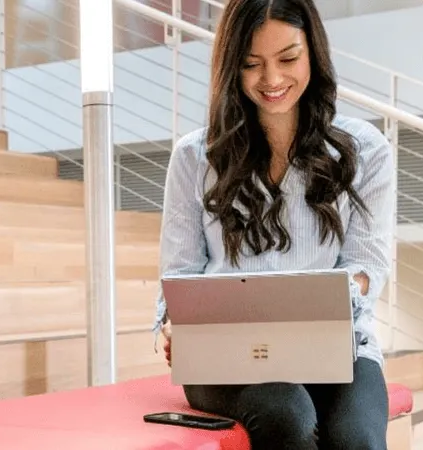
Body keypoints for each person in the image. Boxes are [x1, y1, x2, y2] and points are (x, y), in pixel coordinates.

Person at [152, 0, 396, 448]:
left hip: (339, 348)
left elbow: (368, 266)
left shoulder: (365, 150)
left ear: (313, 54)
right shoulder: (193, 157)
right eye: (251, 64)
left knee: (356, 439)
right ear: (231, 66)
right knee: (284, 411)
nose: (272, 80)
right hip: (225, 357)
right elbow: (180, 272)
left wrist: (310, 307)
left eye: (288, 58)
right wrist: (174, 324)